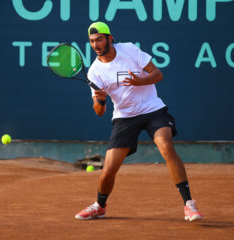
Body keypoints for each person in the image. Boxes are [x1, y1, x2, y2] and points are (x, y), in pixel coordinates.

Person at [74, 22, 203, 222]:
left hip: (152, 109)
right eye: (92, 41)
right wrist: (100, 99)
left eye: (99, 39)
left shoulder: (130, 50)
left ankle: (189, 204)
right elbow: (99, 112)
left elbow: (158, 74)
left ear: (110, 38)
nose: (96, 44)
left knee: (166, 146)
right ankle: (100, 206)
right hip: (124, 117)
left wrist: (141, 81)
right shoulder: (94, 72)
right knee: (108, 170)